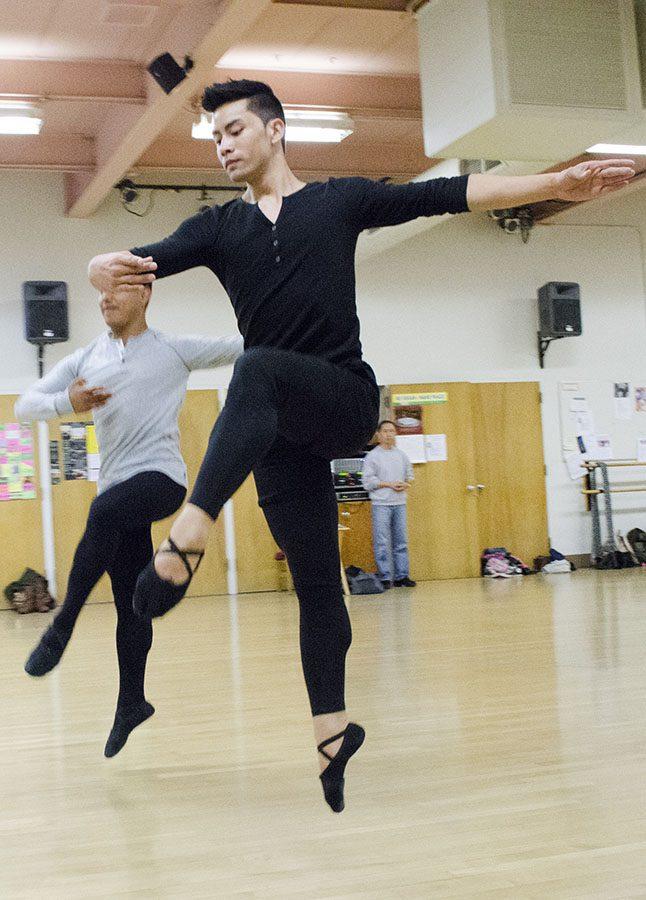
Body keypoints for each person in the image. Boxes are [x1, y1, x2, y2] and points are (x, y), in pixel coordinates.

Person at [86, 78, 634, 811]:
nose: (222, 145)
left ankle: (187, 534)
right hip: (276, 430)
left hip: (342, 398)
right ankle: (333, 735)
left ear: (276, 131)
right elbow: (134, 260)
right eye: (214, 137)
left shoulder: (338, 200)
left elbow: (449, 195)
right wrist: (103, 266)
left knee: (255, 367)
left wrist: (558, 180)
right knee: (316, 580)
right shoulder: (218, 229)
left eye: (235, 130)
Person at [17, 285, 242, 757]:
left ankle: (62, 627)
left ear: (144, 296)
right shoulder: (84, 359)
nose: (104, 299)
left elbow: (245, 343)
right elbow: (25, 404)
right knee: (130, 604)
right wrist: (65, 404)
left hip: (161, 481)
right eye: (100, 292)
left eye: (117, 290)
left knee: (102, 512)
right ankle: (132, 702)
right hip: (119, 497)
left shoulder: (172, 350)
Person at [363, 420, 415, 589]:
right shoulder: (372, 457)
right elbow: (368, 482)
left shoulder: (401, 455)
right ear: (378, 434)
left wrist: (405, 484)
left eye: (392, 431)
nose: (389, 434)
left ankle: (402, 576)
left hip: (399, 502)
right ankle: (385, 576)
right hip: (381, 504)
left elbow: (410, 476)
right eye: (385, 431)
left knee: (401, 541)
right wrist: (389, 484)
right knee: (382, 541)